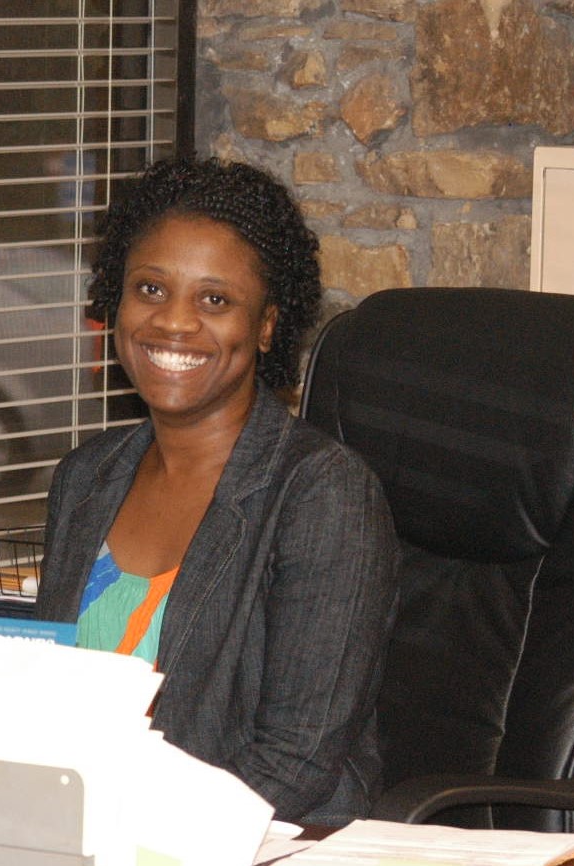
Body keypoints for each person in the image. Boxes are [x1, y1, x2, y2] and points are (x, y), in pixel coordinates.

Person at [34, 155, 399, 826]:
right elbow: (46, 699)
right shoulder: (86, 476)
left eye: (214, 300)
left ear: (265, 326)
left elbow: (294, 763)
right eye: (150, 289)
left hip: (256, 837)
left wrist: (132, 836)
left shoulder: (322, 494)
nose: (173, 323)